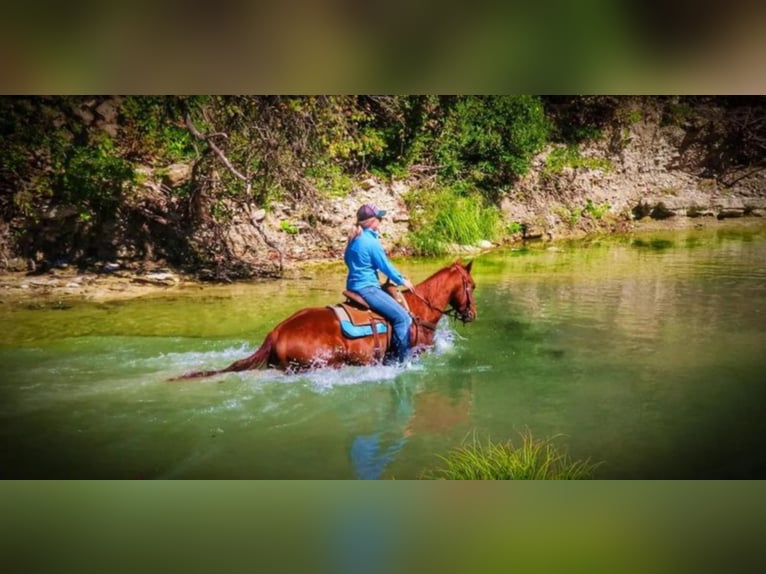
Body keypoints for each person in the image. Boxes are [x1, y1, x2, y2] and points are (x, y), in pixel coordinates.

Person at [344, 204, 415, 364]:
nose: (381, 221)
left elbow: (348, 262)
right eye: (379, 219)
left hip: (352, 287)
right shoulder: (371, 242)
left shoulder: (353, 240)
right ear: (372, 221)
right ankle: (400, 362)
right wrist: (402, 280)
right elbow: (385, 266)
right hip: (367, 289)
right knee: (402, 318)